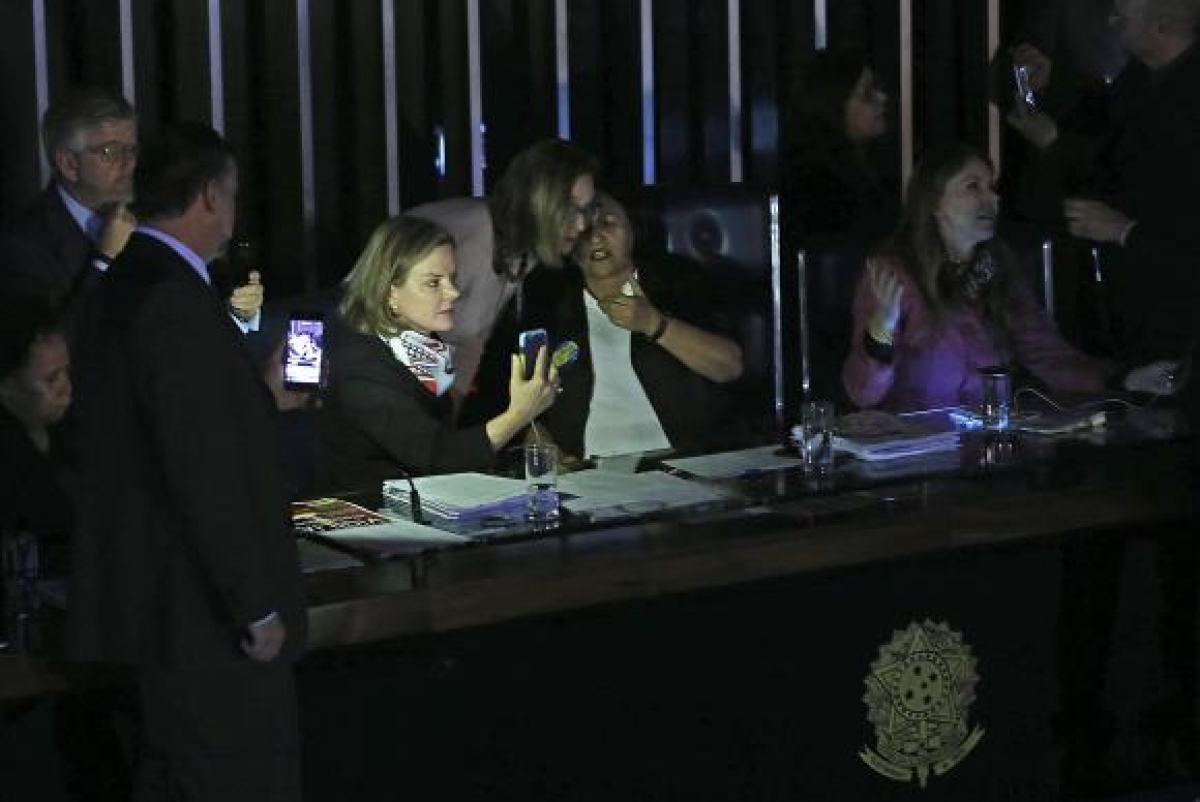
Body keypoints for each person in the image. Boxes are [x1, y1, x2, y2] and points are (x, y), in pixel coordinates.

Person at [67, 122, 305, 801]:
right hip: (200, 625)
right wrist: (254, 607)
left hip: (153, 614)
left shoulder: (122, 283)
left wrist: (256, 400)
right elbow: (201, 471)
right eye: (232, 194)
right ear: (209, 196)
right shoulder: (175, 300)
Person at [842, 143, 1177, 413]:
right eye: (973, 187)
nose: (993, 197)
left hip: (988, 448)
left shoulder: (999, 268)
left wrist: (1126, 380)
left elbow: (1049, 356)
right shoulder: (893, 274)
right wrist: (881, 331)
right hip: (915, 455)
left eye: (991, 187)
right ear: (934, 204)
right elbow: (862, 394)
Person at [1006, 0, 1200, 408]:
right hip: (1127, 307)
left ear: (1161, 27)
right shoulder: (1138, 79)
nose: (1112, 23)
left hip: (1180, 319)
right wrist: (1052, 85)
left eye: (1121, 17)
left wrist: (1125, 231)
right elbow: (1103, 141)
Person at [318, 214, 560, 491]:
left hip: (415, 499)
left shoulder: (419, 343)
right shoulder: (363, 367)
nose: (454, 292)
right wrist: (518, 415)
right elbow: (437, 456)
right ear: (390, 293)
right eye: (434, 283)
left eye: (452, 279)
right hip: (364, 510)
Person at [0, 87, 266, 332]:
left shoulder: (152, 211)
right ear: (69, 164)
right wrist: (104, 261)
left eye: (132, 150)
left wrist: (236, 314)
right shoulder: (22, 247)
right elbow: (53, 351)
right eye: (110, 152)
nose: (130, 164)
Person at [520, 192, 743, 462]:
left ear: (634, 230)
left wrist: (654, 323)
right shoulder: (549, 302)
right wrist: (541, 441)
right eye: (583, 227)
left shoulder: (680, 283)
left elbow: (730, 366)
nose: (595, 237)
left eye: (608, 222)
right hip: (586, 471)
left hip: (682, 465)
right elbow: (527, 408)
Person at [406, 138, 598, 413]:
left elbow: (471, 344)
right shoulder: (470, 233)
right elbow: (390, 330)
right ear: (536, 199)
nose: (581, 225)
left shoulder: (525, 251)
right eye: (569, 207)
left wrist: (448, 417)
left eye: (587, 209)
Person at [780, 47, 899, 253]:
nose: (882, 98)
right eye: (867, 94)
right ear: (833, 104)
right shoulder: (814, 184)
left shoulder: (867, 167)